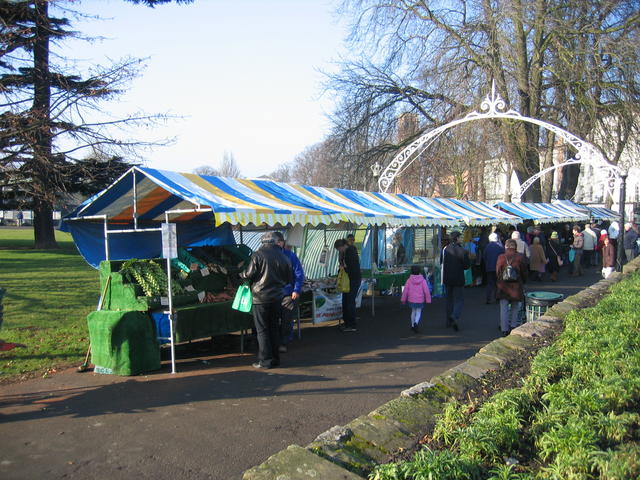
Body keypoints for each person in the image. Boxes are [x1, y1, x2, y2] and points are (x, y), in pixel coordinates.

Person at [240, 231, 292, 369]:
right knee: (274, 328)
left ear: (263, 242)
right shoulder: (284, 256)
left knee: (262, 330)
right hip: (277, 297)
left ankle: (265, 360)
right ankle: (275, 359)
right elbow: (288, 278)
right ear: (275, 242)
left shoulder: (258, 255)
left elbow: (248, 274)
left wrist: (241, 274)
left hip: (260, 298)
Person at [273, 231, 305, 353]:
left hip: (287, 293)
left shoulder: (290, 255)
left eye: (279, 241)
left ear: (282, 242)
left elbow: (299, 273)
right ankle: (275, 341)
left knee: (286, 318)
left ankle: (283, 342)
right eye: (275, 242)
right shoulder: (268, 256)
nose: (277, 244)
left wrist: (296, 289)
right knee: (273, 319)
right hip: (272, 294)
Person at [495, 239, 528, 336]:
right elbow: (524, 272)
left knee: (504, 308)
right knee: (515, 307)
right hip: (516, 286)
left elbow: (497, 271)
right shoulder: (520, 257)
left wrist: (499, 281)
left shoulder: (501, 257)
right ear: (515, 247)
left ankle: (504, 328)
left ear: (506, 246)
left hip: (503, 286)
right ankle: (513, 326)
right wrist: (524, 281)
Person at [440, 230, 470, 331]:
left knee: (449, 300)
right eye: (460, 237)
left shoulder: (445, 249)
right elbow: (466, 266)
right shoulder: (462, 251)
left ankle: (448, 321)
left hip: (447, 278)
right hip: (458, 278)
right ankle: (455, 316)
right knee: (459, 299)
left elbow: (441, 262)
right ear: (456, 238)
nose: (461, 239)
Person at [334, 238, 361, 332]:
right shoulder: (346, 252)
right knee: (346, 301)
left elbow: (352, 268)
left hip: (353, 279)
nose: (339, 251)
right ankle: (347, 323)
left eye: (339, 249)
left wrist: (344, 267)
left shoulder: (350, 252)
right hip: (350, 280)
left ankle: (352, 324)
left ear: (342, 246)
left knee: (349, 302)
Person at [401, 265, 432, 333]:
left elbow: (405, 290)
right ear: (420, 271)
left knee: (413, 311)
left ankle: (412, 325)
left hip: (411, 299)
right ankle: (416, 322)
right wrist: (428, 299)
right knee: (418, 312)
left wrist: (403, 299)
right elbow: (426, 290)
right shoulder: (423, 280)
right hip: (420, 299)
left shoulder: (409, 280)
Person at [483, 232, 504, 304]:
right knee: (497, 283)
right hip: (498, 267)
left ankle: (488, 298)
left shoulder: (487, 246)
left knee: (490, 283)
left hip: (489, 267)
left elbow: (484, 257)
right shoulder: (500, 247)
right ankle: (497, 297)